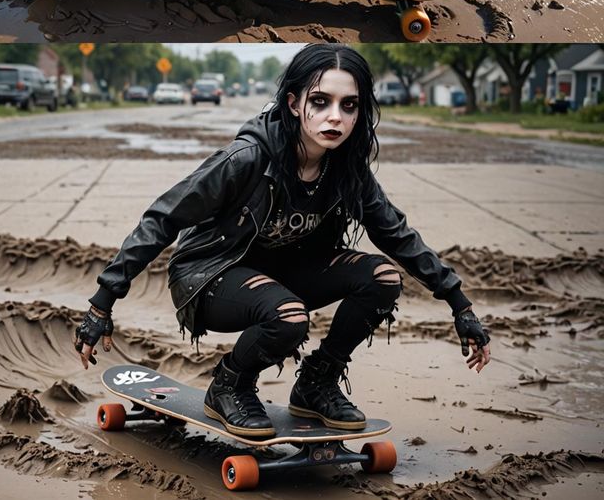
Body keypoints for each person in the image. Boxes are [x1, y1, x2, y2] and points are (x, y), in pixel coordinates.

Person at [73, 44, 491, 438]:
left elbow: (396, 235)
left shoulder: (346, 170)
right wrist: (102, 303)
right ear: (294, 104)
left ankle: (317, 382)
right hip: (214, 277)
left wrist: (460, 303)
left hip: (287, 276)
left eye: (349, 106)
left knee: (382, 277)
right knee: (289, 317)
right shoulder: (248, 159)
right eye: (320, 101)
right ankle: (229, 385)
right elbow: (162, 218)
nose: (335, 118)